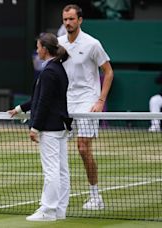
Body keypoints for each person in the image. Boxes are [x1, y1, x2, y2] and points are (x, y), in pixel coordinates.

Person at [9, 33, 72, 221]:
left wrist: (34, 127)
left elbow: (44, 101)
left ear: (45, 48)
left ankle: (48, 210)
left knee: (52, 170)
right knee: (61, 170)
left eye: (38, 47)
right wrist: (19, 109)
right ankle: (59, 210)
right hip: (59, 125)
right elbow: (40, 97)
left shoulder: (49, 71)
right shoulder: (57, 68)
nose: (37, 51)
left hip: (51, 127)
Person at [58, 4, 114, 210]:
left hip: (88, 101)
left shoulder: (92, 44)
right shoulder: (59, 43)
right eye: (65, 20)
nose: (68, 23)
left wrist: (100, 100)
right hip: (66, 101)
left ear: (80, 20)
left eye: (72, 19)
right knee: (56, 147)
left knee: (83, 148)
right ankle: (59, 194)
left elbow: (108, 72)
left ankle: (95, 196)